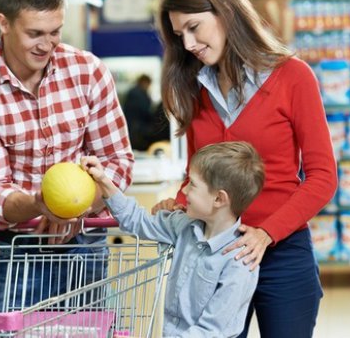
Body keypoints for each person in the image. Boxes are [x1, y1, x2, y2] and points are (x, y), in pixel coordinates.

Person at [153, 0, 338, 337]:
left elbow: (323, 177)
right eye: (180, 36)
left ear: (225, 12)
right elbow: (198, 173)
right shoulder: (197, 88)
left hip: (282, 254)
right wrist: (180, 202)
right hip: (213, 255)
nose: (189, 44)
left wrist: (267, 233)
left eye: (194, 27)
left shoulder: (293, 77)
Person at [0, 0, 134, 312]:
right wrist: (40, 204)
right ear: (4, 23)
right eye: (34, 33)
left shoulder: (87, 71)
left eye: (55, 32)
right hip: (17, 254)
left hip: (85, 247)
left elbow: (117, 163)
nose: (47, 45)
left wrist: (74, 208)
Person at [83, 141, 265, 337]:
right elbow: (137, 220)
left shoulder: (240, 263)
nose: (184, 191)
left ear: (219, 199)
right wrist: (103, 180)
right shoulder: (183, 225)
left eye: (192, 184)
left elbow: (212, 331)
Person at [123, 74, 154, 151]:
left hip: (132, 126)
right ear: (144, 82)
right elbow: (145, 111)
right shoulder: (139, 94)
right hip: (138, 128)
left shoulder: (133, 92)